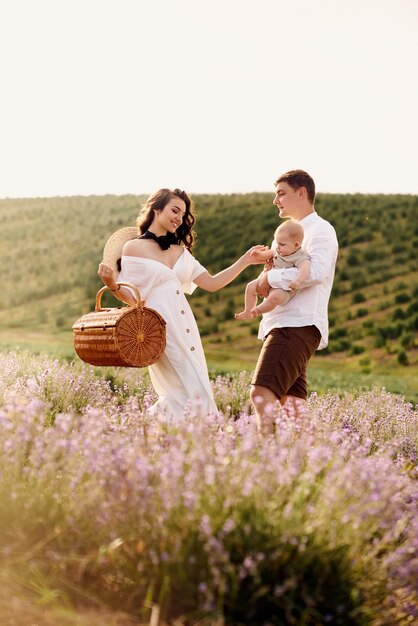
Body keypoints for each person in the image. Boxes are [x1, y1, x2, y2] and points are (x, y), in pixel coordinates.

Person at [98, 188, 266, 420]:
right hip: (158, 327)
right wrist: (112, 284)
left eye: (183, 214)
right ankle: (145, 430)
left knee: (196, 387)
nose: (179, 218)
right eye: (174, 210)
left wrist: (246, 260)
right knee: (183, 391)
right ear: (156, 209)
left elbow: (213, 283)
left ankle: (160, 437)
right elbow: (133, 298)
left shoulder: (180, 251)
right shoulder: (134, 247)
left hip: (186, 325)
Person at [249, 170, 338, 436]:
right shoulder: (290, 234)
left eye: (281, 193)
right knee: (292, 406)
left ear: (301, 192)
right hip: (288, 324)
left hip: (296, 325)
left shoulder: (320, 230)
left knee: (261, 392)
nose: (276, 200)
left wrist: (270, 277)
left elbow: (316, 271)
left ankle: (265, 457)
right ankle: (301, 462)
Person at [234, 220, 310, 320]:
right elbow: (269, 253)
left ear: (296, 245)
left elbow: (305, 269)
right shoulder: (278, 251)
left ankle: (258, 310)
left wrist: (298, 280)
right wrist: (258, 254)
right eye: (277, 243)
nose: (278, 247)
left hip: (282, 288)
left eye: (282, 245)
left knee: (275, 297)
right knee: (250, 287)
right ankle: (248, 310)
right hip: (268, 280)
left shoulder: (300, 256)